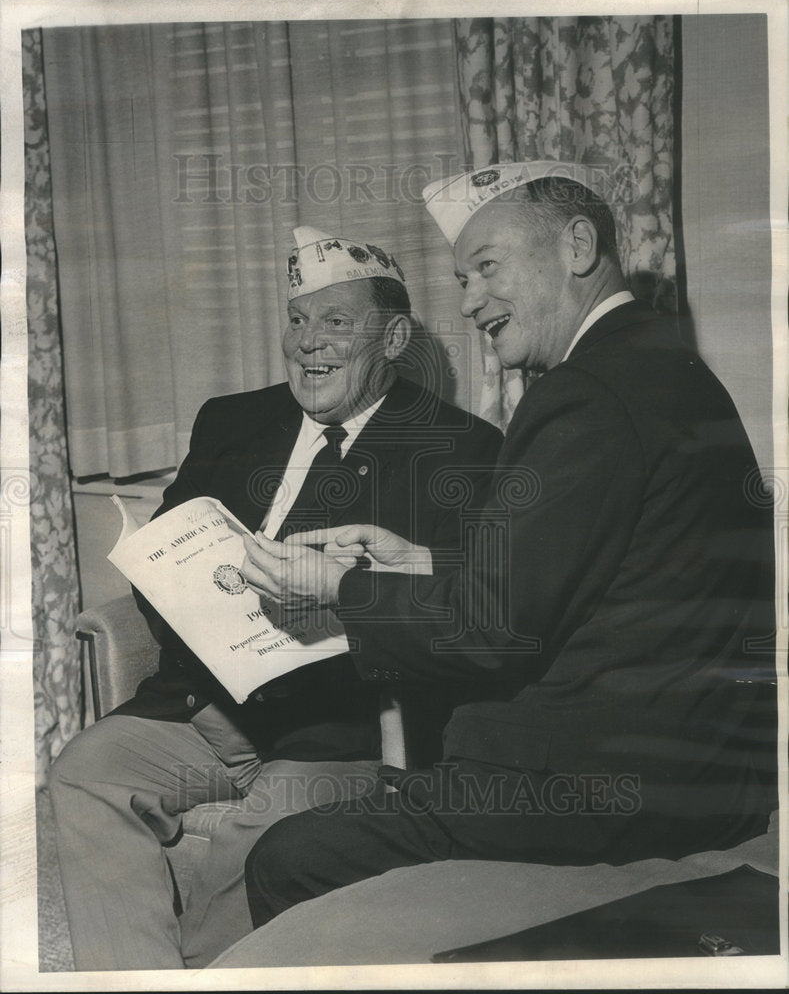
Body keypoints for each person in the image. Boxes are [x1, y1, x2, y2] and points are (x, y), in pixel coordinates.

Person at [239, 163, 777, 930]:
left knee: (290, 854)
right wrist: (423, 561)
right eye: (461, 280)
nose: (467, 303)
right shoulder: (665, 370)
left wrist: (336, 588)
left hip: (601, 784)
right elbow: (596, 575)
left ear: (577, 246)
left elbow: (490, 630)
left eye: (486, 268)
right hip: (697, 770)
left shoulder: (587, 392)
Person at [49, 225, 503, 970]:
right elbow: (159, 565)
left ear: (392, 340)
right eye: (296, 320)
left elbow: (451, 613)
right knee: (85, 772)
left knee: (257, 837)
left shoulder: (460, 447)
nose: (307, 344)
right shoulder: (233, 420)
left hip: (339, 726)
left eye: (334, 323)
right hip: (203, 711)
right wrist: (209, 700)